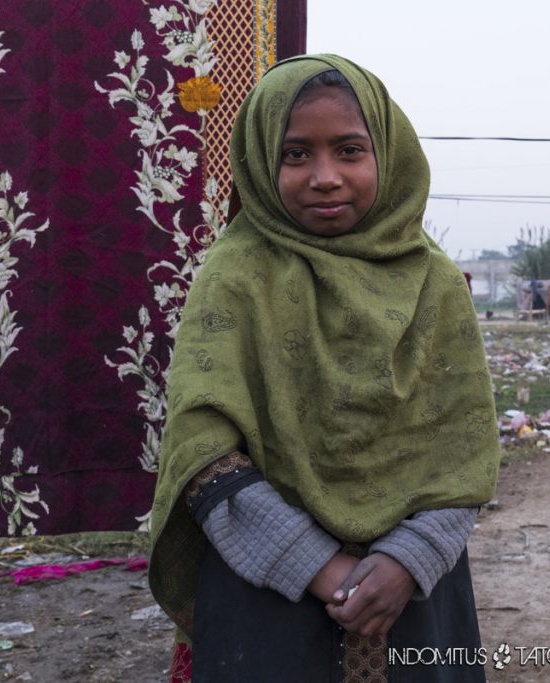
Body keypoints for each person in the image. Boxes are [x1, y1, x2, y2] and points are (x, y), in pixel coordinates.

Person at [148, 54, 501, 682]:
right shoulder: (236, 279)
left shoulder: (435, 284)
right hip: (266, 593)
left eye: (349, 150)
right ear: (260, 160)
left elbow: (464, 450)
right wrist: (316, 567)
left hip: (414, 595)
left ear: (387, 155)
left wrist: (408, 562)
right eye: (295, 155)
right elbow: (201, 449)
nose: (325, 177)